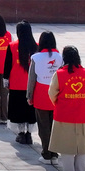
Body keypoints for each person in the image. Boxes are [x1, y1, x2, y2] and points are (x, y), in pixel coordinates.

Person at [48, 46, 85, 171]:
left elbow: (52, 93)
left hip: (65, 116)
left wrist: (58, 104)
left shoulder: (59, 74)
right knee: (82, 148)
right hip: (84, 115)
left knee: (67, 148)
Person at [27, 31, 63, 163]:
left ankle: (46, 153)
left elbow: (32, 79)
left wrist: (29, 96)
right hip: (57, 94)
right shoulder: (60, 57)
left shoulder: (36, 58)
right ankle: (54, 153)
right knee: (54, 126)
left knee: (43, 126)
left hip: (41, 94)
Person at [4, 20, 38, 144]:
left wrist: (5, 79)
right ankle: (29, 134)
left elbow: (7, 65)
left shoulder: (12, 46)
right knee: (30, 111)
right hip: (32, 85)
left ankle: (21, 133)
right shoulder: (36, 47)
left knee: (18, 110)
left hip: (16, 83)